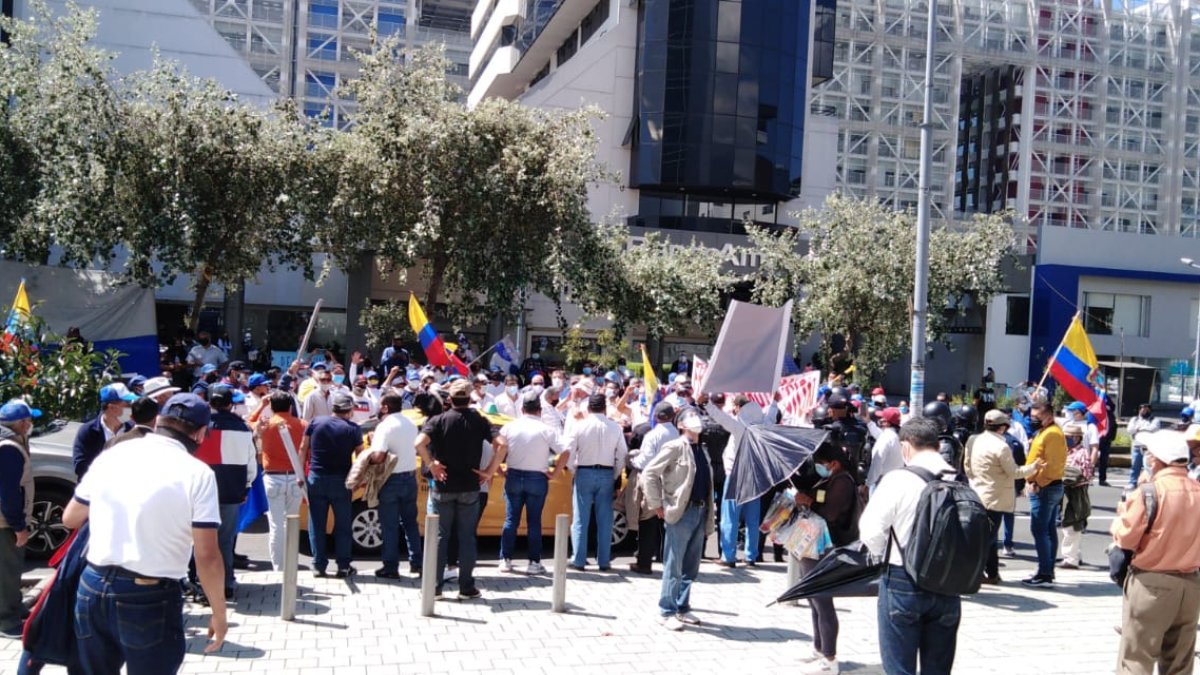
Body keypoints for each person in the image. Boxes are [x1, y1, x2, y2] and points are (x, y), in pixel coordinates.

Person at [62, 393, 227, 672]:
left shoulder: (112, 454)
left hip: (93, 584)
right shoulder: (198, 474)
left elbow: (71, 517)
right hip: (149, 594)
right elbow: (207, 555)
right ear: (200, 434)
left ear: (159, 420)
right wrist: (219, 613)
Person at [859, 417, 962, 673]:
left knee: (899, 668)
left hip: (903, 577)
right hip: (949, 582)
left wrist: (883, 551)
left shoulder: (898, 480)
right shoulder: (959, 480)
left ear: (905, 447)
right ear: (938, 446)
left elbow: (870, 532)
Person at [1112, 429, 1200, 674]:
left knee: (1137, 657)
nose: (1147, 457)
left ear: (1157, 459)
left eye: (1148, 453)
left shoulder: (1150, 492)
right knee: (1180, 661)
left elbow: (1127, 538)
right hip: (1191, 582)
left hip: (1152, 582)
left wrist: (1122, 513)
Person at [415, 380, 506, 599]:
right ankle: (466, 587)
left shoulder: (439, 420)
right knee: (466, 537)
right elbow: (502, 444)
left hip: (443, 486)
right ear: (470, 398)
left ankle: (434, 587)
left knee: (440, 537)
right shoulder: (480, 421)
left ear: (450, 399)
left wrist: (432, 464)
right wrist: (489, 471)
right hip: (470, 486)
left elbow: (418, 443)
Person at [640, 407, 714, 631]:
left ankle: (682, 607)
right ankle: (666, 610)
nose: (696, 421)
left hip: (700, 510)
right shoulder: (675, 446)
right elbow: (650, 473)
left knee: (690, 565)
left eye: (696, 417)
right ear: (680, 425)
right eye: (689, 418)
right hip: (681, 512)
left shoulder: (702, 448)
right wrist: (657, 504)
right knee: (674, 563)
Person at [793, 445, 860, 674]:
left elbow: (831, 512)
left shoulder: (842, 481)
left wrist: (809, 502)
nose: (820, 468)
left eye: (822, 464)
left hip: (828, 545)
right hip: (814, 543)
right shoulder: (830, 479)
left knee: (823, 601)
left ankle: (830, 657)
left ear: (834, 463)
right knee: (812, 598)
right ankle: (819, 647)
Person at [963, 410, 1042, 584]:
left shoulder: (973, 440)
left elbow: (967, 467)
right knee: (988, 539)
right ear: (1002, 428)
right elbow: (1014, 472)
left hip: (976, 492)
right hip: (995, 497)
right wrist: (1034, 467)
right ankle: (975, 574)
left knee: (988, 538)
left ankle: (992, 573)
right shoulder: (1002, 446)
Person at [193, 385, 257, 598]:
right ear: (231, 404)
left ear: (209, 402)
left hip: (200, 492)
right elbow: (251, 464)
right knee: (225, 541)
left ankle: (202, 587)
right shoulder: (243, 428)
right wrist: (246, 486)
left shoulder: (197, 426)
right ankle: (226, 584)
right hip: (232, 490)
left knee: (200, 540)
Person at [705, 394, 777, 567]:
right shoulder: (763, 426)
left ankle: (728, 557)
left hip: (736, 473)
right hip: (755, 475)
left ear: (738, 407)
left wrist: (706, 403)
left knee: (730, 516)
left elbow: (720, 417)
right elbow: (771, 415)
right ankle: (751, 556)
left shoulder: (739, 426)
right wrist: (774, 401)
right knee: (753, 519)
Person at [498, 391, 564, 575]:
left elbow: (496, 448)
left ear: (521, 409)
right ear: (539, 410)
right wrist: (556, 472)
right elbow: (565, 450)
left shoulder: (509, 427)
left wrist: (498, 470)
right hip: (537, 477)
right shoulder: (546, 429)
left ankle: (505, 559)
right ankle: (534, 562)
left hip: (514, 475)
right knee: (534, 521)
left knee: (511, 519)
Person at [301, 392, 364, 578]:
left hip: (316, 478)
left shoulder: (315, 422)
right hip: (341, 481)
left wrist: (300, 474)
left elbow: (303, 448)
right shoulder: (353, 429)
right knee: (343, 525)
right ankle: (343, 566)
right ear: (350, 410)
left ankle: (318, 566)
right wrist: (359, 480)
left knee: (317, 524)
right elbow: (361, 457)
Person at [563, 392, 628, 571]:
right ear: (605, 408)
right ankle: (604, 560)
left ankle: (579, 560)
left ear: (588, 407)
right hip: (606, 473)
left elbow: (568, 451)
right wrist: (615, 474)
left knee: (580, 518)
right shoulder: (615, 427)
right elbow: (622, 454)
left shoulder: (579, 426)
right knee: (605, 519)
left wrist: (573, 469)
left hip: (584, 471)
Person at [369, 393, 424, 579]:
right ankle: (417, 563)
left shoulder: (384, 427)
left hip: (391, 479)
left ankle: (391, 567)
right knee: (410, 523)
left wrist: (370, 444)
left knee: (390, 525)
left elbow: (378, 457)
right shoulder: (410, 424)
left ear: (385, 407)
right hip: (409, 477)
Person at [254, 391, 307, 571]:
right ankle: (291, 563)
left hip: (272, 478)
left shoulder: (265, 425)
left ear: (271, 407)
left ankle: (278, 568)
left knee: (276, 525)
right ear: (291, 406)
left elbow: (248, 422)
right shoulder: (302, 425)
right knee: (292, 524)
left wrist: (261, 405)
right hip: (295, 477)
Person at [0, 400, 37, 638]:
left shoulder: (12, 442)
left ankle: (15, 607)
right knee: (6, 569)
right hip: (5, 522)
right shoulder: (9, 448)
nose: (31, 424)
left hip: (6, 519)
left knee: (11, 568)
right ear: (21, 423)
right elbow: (8, 492)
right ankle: (6, 620)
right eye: (29, 420)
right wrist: (18, 526)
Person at [627, 402, 679, 573]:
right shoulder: (678, 434)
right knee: (668, 522)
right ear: (672, 416)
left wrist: (633, 461)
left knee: (648, 521)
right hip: (673, 480)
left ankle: (644, 562)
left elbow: (646, 460)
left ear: (656, 416)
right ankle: (667, 560)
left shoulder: (653, 435)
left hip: (654, 481)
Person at [1022, 401, 1068, 587]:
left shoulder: (1053, 434)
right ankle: (1047, 570)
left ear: (1048, 416)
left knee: (1040, 530)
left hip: (1045, 487)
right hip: (1045, 486)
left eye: (1037, 417)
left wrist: (1035, 481)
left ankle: (1045, 573)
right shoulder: (1045, 432)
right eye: (1031, 416)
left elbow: (1052, 465)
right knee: (1047, 529)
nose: (1033, 420)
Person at [71, 383, 137, 479]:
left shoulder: (133, 430)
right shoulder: (88, 431)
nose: (131, 408)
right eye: (127, 404)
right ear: (112, 407)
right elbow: (80, 466)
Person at [1058, 422, 1094, 570]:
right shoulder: (1064, 452)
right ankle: (1075, 555)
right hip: (1064, 491)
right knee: (1067, 524)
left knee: (1072, 525)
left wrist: (1070, 475)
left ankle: (1070, 559)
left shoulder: (1083, 453)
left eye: (1069, 437)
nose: (1066, 439)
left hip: (1076, 492)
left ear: (1077, 438)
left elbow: (1087, 475)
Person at [866, 407, 904, 492]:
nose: (879, 420)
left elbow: (877, 463)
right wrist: (869, 422)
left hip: (881, 483)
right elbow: (878, 434)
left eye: (881, 418)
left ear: (887, 423)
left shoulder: (886, 438)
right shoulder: (897, 435)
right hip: (896, 481)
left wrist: (868, 484)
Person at [1126, 403, 1160, 489]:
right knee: (1134, 466)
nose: (1143, 410)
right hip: (1136, 446)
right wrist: (1140, 429)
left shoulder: (1155, 420)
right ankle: (1132, 483)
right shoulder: (1134, 419)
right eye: (1141, 408)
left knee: (1148, 467)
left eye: (1145, 408)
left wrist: (1139, 429)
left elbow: (1154, 429)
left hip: (1148, 447)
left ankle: (1149, 483)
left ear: (1149, 409)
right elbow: (1130, 430)